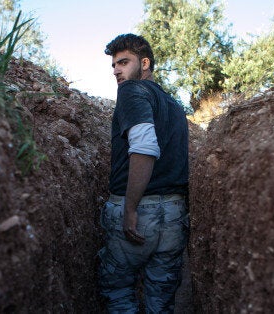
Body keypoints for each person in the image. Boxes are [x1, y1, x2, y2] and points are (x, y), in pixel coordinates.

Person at [98, 33, 190, 313]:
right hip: (174, 215)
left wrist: (130, 208)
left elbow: (145, 146)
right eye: (114, 65)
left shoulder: (131, 91)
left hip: (140, 213)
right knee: (160, 301)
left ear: (145, 63)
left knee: (118, 290)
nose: (116, 70)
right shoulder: (174, 106)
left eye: (123, 62)